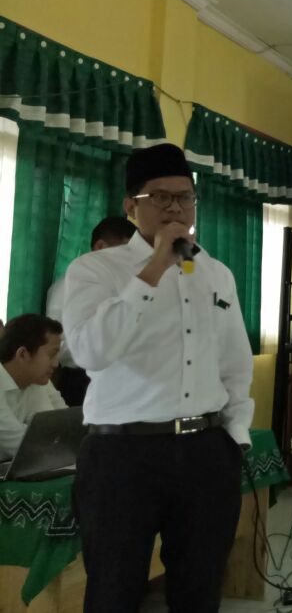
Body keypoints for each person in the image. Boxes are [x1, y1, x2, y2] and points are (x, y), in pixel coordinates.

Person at [62, 143, 254, 613]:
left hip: (205, 452)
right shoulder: (94, 270)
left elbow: (234, 361)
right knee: (114, 589)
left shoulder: (216, 273)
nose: (175, 208)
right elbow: (91, 352)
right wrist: (153, 269)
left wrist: (235, 436)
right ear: (131, 206)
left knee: (199, 589)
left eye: (185, 197)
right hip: (122, 455)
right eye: (161, 197)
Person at [46, 216, 137, 406]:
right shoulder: (69, 284)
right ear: (100, 246)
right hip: (80, 378)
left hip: (122, 378)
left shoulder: (130, 283)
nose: (129, 260)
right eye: (123, 251)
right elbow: (60, 344)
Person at [0, 314, 67, 460]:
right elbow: (20, 444)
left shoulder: (36, 381)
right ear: (23, 354)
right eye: (51, 355)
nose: (56, 364)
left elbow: (61, 427)